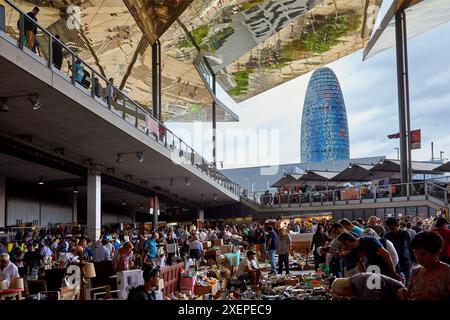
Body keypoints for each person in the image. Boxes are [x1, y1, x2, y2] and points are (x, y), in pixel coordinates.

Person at [398, 231, 450, 300]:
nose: (418, 258)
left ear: (437, 252)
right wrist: (404, 293)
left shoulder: (447, 273)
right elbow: (410, 293)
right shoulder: (415, 272)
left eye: (423, 254)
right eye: (415, 253)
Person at [337, 232, 402, 281]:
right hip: (373, 273)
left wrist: (393, 273)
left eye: (342, 245)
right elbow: (360, 267)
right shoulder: (353, 251)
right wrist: (365, 280)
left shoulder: (369, 241)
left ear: (347, 241)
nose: (342, 249)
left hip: (386, 270)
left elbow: (386, 255)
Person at [331, 272, 405, 300]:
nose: (345, 297)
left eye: (343, 295)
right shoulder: (353, 284)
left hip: (399, 293)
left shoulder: (362, 281)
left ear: (346, 288)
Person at [385, 217, 412, 285]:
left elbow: (410, 246)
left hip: (406, 261)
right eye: (390, 229)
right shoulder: (387, 235)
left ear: (398, 225)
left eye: (393, 228)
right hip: (394, 261)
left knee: (406, 281)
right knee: (396, 282)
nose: (392, 230)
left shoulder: (406, 234)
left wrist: (412, 258)